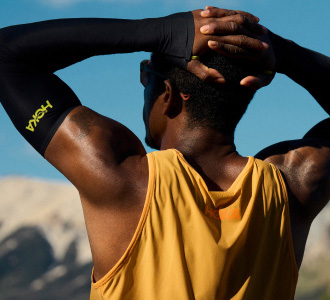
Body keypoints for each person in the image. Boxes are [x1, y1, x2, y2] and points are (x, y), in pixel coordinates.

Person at [0, 6, 329, 300]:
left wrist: (159, 32)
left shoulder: (121, 176)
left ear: (169, 94)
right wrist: (277, 50)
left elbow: (6, 52)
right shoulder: (294, 183)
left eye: (147, 78)